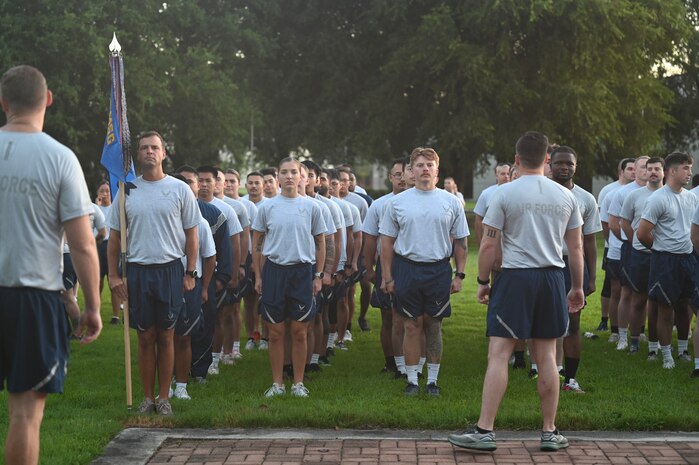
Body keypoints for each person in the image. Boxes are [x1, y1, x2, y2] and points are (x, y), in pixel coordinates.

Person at [449, 131, 584, 452]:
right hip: (553, 277)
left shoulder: (504, 194)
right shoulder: (566, 196)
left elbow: (488, 243)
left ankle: (485, 430)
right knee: (548, 356)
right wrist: (577, 286)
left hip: (514, 279)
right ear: (547, 159)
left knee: (499, 354)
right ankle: (550, 432)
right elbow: (576, 248)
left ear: (517, 159)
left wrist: (482, 282)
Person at [0, 65, 102, 465]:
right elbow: (82, 243)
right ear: (48, 99)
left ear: (3, 103)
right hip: (35, 296)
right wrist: (92, 306)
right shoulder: (60, 158)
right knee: (25, 414)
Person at [108, 131, 200, 416]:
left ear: (164, 153)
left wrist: (190, 271)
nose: (149, 152)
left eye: (154, 147)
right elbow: (113, 238)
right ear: (138, 154)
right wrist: (113, 276)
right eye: (144, 148)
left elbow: (192, 234)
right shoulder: (127, 190)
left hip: (170, 269)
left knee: (166, 335)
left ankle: (164, 397)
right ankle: (147, 398)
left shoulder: (179, 189)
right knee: (145, 337)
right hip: (138, 271)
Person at [380, 147, 468, 396]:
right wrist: (387, 276)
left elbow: (461, 241)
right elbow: (386, 241)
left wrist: (459, 275)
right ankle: (411, 380)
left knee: (434, 325)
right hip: (407, 267)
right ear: (411, 170)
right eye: (419, 165)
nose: (425, 169)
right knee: (411, 325)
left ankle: (432, 381)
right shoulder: (397, 203)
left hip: (439, 269)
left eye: (429, 164)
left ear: (437, 170)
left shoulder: (451, 202)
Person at [251, 157, 326, 397]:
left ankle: (298, 383)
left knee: (300, 331)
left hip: (302, 272)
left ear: (302, 177)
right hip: (274, 271)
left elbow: (321, 243)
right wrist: (259, 275)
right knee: (275, 332)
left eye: (294, 172)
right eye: (284, 172)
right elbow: (257, 243)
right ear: (278, 176)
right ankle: (277, 384)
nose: (290, 176)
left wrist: (318, 275)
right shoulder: (267, 207)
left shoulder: (312, 207)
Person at [637, 152, 698, 370]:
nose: (690, 172)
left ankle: (682, 349)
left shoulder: (691, 197)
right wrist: (661, 249)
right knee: (665, 308)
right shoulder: (658, 199)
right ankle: (666, 355)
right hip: (665, 260)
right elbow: (642, 233)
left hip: (688, 258)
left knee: (686, 306)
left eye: (690, 168)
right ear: (672, 171)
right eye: (685, 168)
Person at [549, 146, 601, 394]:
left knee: (572, 323)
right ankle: (547, 372)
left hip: (572, 265)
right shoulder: (542, 193)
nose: (564, 167)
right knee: (546, 323)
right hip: (546, 264)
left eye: (569, 163)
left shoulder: (586, 199)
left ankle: (570, 379)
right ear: (549, 164)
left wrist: (591, 276)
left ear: (576, 166)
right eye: (559, 163)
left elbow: (589, 241)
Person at [362, 158, 406, 373]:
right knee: (388, 316)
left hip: (412, 264)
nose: (401, 178)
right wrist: (369, 267)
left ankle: (412, 362)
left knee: (412, 318)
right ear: (390, 177)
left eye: (404, 174)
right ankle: (391, 362)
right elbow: (370, 238)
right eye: (397, 174)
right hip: (387, 264)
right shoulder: (379, 204)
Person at [619, 157, 664, 357]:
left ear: (664, 172)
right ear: (644, 171)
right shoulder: (634, 196)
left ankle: (661, 344)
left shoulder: (671, 195)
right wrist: (636, 242)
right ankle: (635, 341)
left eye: (657, 168)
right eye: (649, 168)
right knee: (638, 300)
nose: (652, 172)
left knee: (663, 302)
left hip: (664, 256)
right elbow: (624, 222)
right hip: (640, 255)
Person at [607, 156, 649, 350]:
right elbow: (615, 224)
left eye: (649, 167)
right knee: (626, 292)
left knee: (648, 295)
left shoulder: (658, 192)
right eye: (641, 167)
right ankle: (622, 335)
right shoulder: (623, 193)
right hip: (629, 249)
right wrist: (633, 242)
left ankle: (640, 332)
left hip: (653, 250)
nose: (645, 170)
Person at [596, 158, 635, 332]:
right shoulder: (610, 191)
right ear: (622, 170)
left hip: (636, 249)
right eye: (631, 169)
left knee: (635, 291)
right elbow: (605, 223)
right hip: (613, 247)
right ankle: (610, 325)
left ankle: (635, 329)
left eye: (637, 168)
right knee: (613, 288)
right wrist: (612, 240)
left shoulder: (642, 192)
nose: (635, 172)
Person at [95, 181, 123, 324]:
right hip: (98, 245)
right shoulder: (94, 209)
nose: (105, 194)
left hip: (111, 245)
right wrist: (97, 205)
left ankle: (116, 315)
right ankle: (95, 311)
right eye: (102, 191)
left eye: (107, 191)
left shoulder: (115, 208)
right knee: (98, 281)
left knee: (114, 280)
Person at [473, 162, 510, 244]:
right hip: (492, 241)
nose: (506, 176)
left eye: (508, 174)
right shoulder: (486, 193)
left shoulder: (517, 193)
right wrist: (480, 243)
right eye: (503, 174)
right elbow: (478, 220)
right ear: (497, 175)